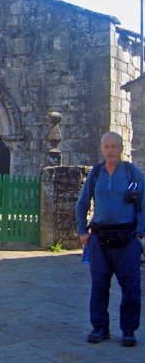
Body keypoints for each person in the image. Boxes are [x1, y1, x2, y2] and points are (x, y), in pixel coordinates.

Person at [76, 131, 145, 347]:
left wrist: (140, 232)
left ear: (121, 148)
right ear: (102, 149)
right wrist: (82, 232)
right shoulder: (96, 174)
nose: (110, 151)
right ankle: (99, 327)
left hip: (127, 239)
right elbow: (82, 203)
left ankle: (128, 330)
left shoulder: (132, 174)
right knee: (98, 285)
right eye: (106, 147)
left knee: (131, 287)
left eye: (114, 146)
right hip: (99, 239)